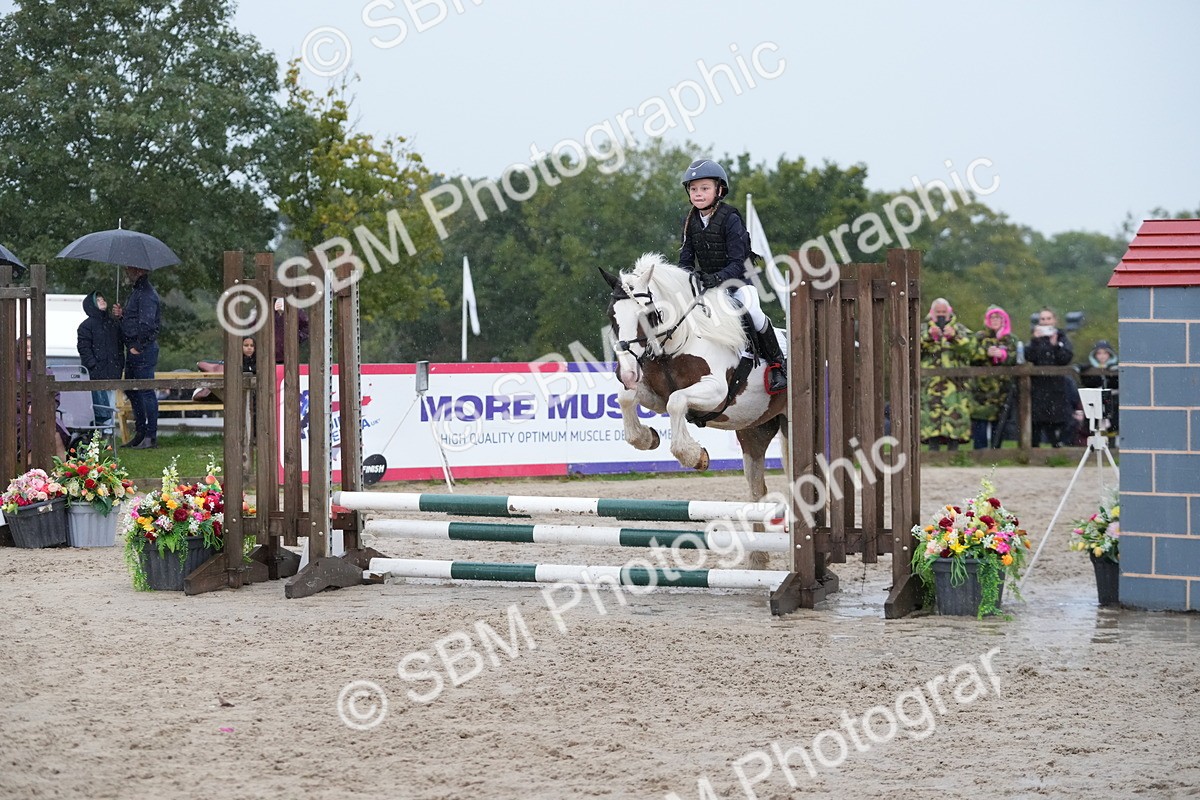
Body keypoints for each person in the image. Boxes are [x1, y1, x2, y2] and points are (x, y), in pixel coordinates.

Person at [676, 158, 786, 393]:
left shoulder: (731, 219)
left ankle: (778, 365)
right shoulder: (690, 221)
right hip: (709, 287)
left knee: (754, 313)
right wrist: (685, 280)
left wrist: (716, 279)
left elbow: (738, 262)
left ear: (719, 190)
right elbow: (685, 259)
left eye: (704, 188)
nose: (698, 194)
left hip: (738, 282)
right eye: (693, 189)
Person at [116, 266, 161, 449]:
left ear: (139, 270)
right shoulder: (138, 291)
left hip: (142, 349)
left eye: (130, 268)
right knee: (132, 389)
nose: (127, 270)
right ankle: (141, 432)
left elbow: (148, 324)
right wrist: (123, 315)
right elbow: (137, 319)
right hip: (135, 348)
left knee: (145, 391)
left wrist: (138, 345)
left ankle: (150, 435)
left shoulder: (146, 293)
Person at [919, 297, 973, 450]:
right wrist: (929, 337)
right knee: (931, 421)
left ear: (950, 313)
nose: (941, 315)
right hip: (930, 386)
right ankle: (933, 454)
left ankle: (954, 454)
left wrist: (955, 337)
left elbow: (972, 349)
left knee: (954, 421)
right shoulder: (922, 329)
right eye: (938, 312)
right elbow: (909, 348)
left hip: (956, 387)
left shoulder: (960, 329)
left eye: (944, 312)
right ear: (932, 313)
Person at [968, 305, 1017, 449]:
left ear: (1004, 319)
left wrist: (1003, 355)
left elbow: (1015, 359)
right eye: (992, 317)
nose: (995, 320)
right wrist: (986, 353)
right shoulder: (979, 337)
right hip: (981, 390)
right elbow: (970, 355)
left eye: (998, 317)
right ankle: (979, 453)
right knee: (980, 421)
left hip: (1003, 390)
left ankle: (997, 453)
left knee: (1000, 422)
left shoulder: (1010, 339)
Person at [1026, 307, 1074, 447]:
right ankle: (1032, 453)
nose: (1045, 322)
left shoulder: (1061, 337)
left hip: (1056, 387)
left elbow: (1066, 358)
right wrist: (1035, 340)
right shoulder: (1035, 338)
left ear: (1054, 320)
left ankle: (1056, 453)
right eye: (1042, 319)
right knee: (1036, 422)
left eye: (1048, 319)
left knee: (1054, 423)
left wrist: (1055, 346)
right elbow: (1029, 357)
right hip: (1038, 387)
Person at [76, 291, 124, 425]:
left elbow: (121, 345)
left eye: (103, 299)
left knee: (111, 405)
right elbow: (84, 349)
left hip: (113, 372)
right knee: (99, 407)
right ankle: (99, 436)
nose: (102, 301)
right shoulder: (86, 326)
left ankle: (108, 436)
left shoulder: (113, 323)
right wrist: (93, 365)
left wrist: (120, 364)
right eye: (98, 300)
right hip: (96, 375)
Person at [1079, 339, 1119, 436]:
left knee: (1113, 428)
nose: (1102, 356)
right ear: (1095, 355)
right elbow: (1087, 383)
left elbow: (1116, 384)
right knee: (1094, 428)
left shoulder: (1116, 368)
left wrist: (1110, 374)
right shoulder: (1089, 368)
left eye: (1105, 353)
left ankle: (1112, 447)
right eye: (1099, 353)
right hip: (1095, 401)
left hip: (1112, 401)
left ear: (1110, 354)